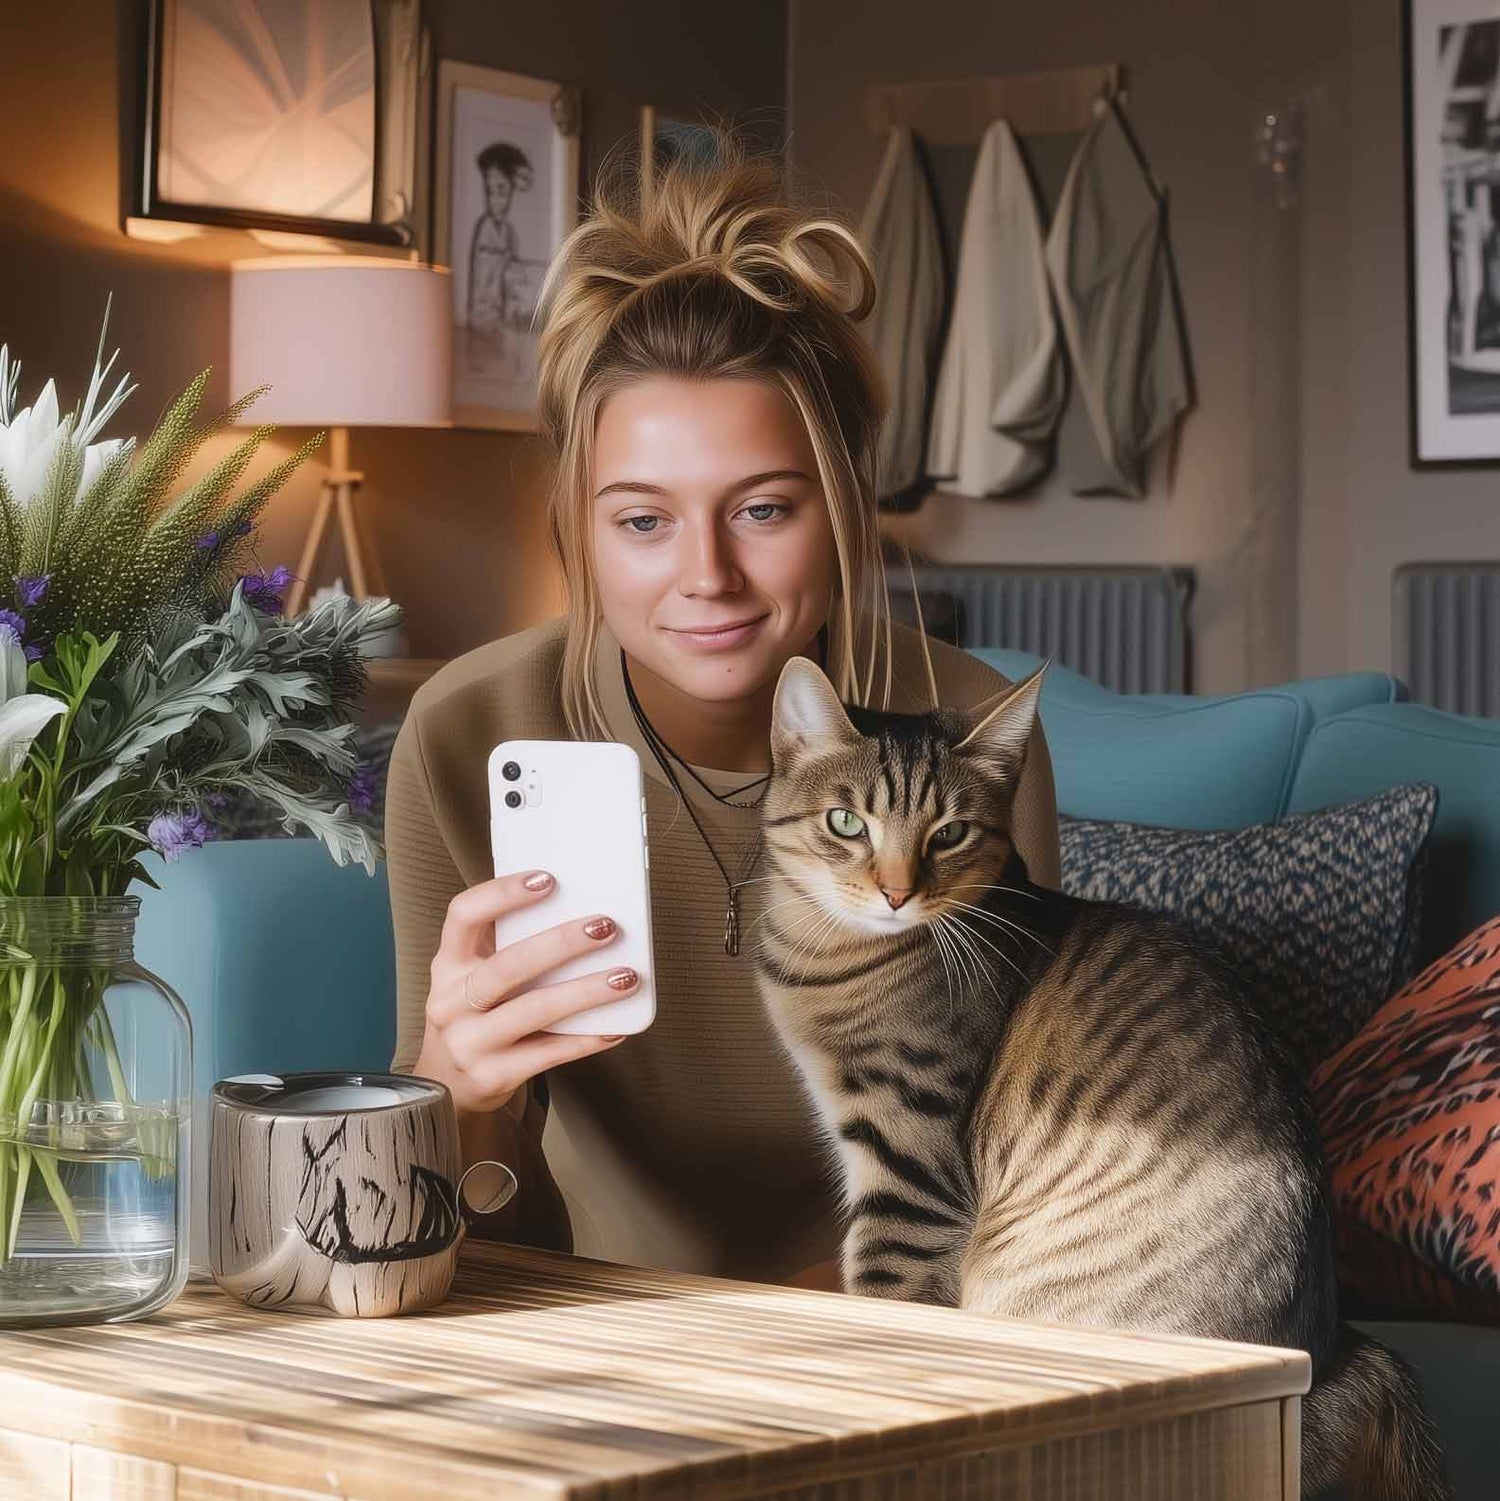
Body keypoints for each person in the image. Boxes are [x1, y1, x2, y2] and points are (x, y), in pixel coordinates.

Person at [386, 129, 1061, 1290]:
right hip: (592, 1325)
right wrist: (457, 1086)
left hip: (902, 1322)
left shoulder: (969, 727)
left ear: (844, 503)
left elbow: (1025, 1144)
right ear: (580, 530)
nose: (707, 576)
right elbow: (450, 1228)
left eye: (760, 510)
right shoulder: (467, 732)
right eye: (643, 519)